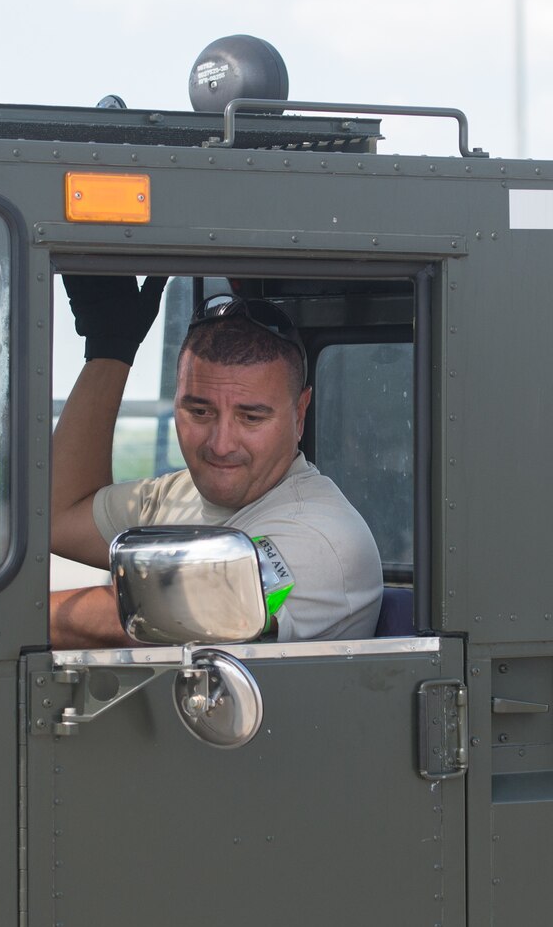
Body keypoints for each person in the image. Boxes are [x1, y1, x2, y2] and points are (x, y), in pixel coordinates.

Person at [49, 276, 383, 648]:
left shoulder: (324, 539)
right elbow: (59, 519)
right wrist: (110, 351)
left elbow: (164, 612)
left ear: (299, 413)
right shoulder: (177, 495)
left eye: (251, 418)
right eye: (200, 411)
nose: (221, 445)